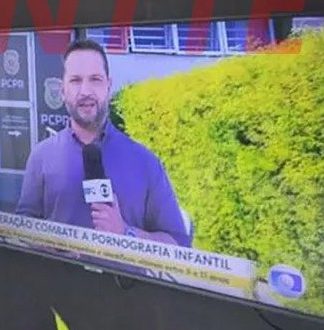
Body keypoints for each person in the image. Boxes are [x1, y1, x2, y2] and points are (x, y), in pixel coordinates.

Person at [16, 38, 192, 246]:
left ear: (108, 86)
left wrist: (126, 233)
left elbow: (178, 243)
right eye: (75, 80)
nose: (85, 91)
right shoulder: (41, 157)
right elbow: (21, 234)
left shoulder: (145, 162)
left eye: (95, 79)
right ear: (63, 90)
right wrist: (49, 244)